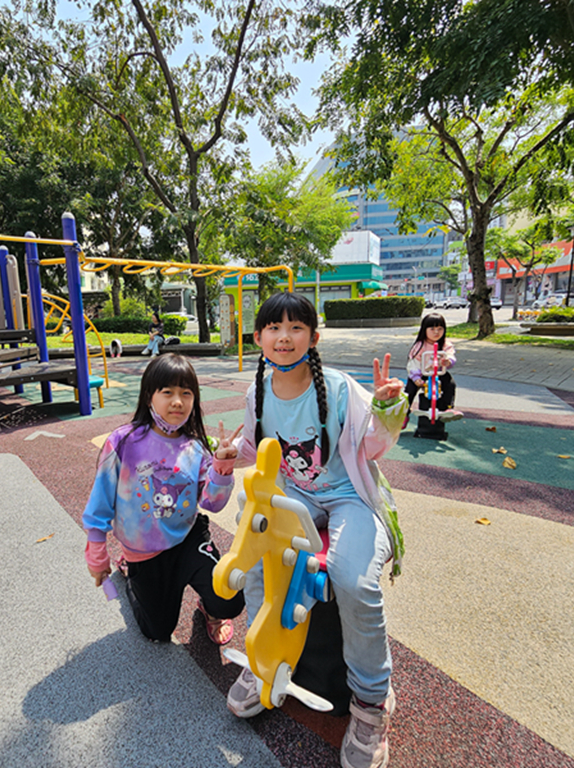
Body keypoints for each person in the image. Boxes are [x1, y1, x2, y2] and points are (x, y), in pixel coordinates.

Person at [226, 292, 408, 768]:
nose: (284, 337)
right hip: (298, 496)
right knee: (259, 553)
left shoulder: (340, 388)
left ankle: (371, 700)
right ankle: (262, 660)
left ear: (313, 337)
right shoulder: (258, 392)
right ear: (259, 337)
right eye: (274, 327)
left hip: (350, 497)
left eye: (296, 327)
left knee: (353, 580)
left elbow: (374, 445)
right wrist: (228, 455)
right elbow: (257, 449)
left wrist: (388, 407)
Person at [82, 353, 245, 645]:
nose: (178, 401)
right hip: (143, 552)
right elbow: (100, 500)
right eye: (167, 392)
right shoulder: (123, 442)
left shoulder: (196, 448)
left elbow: (212, 503)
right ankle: (129, 573)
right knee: (157, 632)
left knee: (230, 600)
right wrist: (96, 551)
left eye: (186, 393)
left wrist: (222, 467)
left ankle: (209, 608)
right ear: (149, 397)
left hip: (188, 539)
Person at [404, 313, 463, 423]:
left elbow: (450, 354)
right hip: (421, 373)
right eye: (432, 329)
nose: (436, 332)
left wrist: (448, 361)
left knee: (450, 384)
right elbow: (413, 363)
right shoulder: (420, 345)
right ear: (424, 330)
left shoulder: (445, 344)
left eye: (440, 329)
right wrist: (416, 377)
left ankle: (448, 408)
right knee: (410, 390)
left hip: (439, 373)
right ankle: (404, 414)